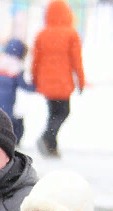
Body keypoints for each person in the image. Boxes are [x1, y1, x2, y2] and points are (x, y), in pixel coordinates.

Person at [31, 0, 84, 158]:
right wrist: (81, 81)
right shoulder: (71, 34)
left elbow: (35, 60)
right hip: (63, 82)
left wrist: (35, 79)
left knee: (53, 112)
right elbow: (77, 61)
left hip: (46, 82)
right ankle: (47, 137)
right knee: (63, 112)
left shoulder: (42, 34)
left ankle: (52, 147)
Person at [0, 39, 36, 144]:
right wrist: (35, 87)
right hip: (7, 101)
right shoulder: (16, 67)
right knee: (9, 121)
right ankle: (12, 141)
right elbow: (23, 85)